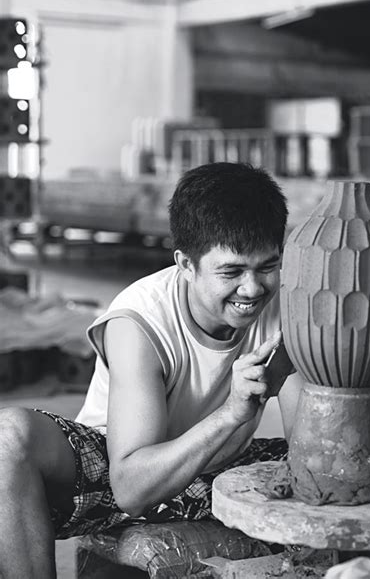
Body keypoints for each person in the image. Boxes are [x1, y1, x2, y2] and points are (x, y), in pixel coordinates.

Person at [0, 162, 302, 579]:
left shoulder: (287, 307)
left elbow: (309, 448)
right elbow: (130, 489)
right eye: (231, 272)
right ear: (186, 264)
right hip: (114, 468)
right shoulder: (139, 320)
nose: (252, 289)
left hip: (217, 470)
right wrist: (231, 414)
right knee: (9, 438)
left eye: (267, 267)